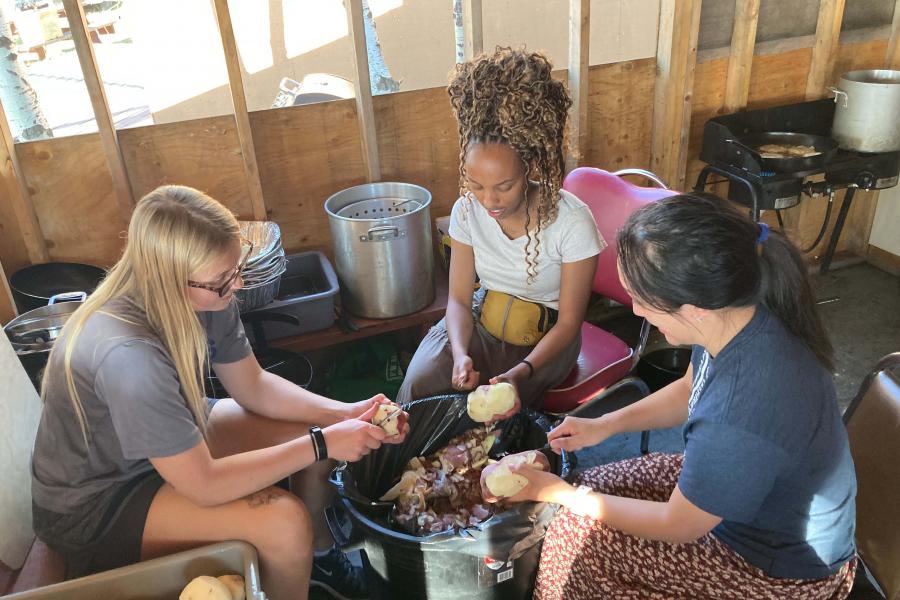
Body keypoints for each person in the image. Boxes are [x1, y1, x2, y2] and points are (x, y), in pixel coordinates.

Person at [30, 186, 409, 600]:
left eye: (236, 266)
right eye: (222, 280)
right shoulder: (128, 357)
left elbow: (252, 385)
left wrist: (343, 414)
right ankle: (290, 570)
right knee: (285, 524)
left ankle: (318, 559)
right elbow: (204, 483)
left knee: (311, 430)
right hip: (100, 502)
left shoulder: (207, 295)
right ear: (170, 279)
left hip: (172, 437)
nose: (237, 283)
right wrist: (322, 442)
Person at [497, 193, 857, 599]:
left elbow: (679, 525)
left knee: (573, 536)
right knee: (587, 485)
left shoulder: (744, 405)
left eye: (642, 300)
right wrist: (603, 425)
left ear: (695, 306)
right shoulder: (732, 316)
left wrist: (554, 491)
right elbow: (690, 389)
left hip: (775, 567)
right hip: (738, 498)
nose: (635, 311)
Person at [396, 47, 605, 412]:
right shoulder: (466, 211)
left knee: (498, 409)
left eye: (504, 186)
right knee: (420, 384)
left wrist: (521, 372)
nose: (489, 200)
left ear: (529, 167)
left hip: (546, 339)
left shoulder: (572, 222)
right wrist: (460, 354)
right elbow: (459, 301)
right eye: (476, 185)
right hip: (482, 319)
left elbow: (570, 324)